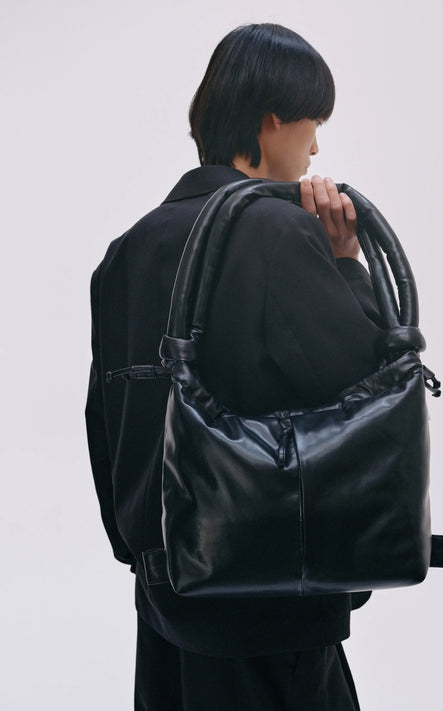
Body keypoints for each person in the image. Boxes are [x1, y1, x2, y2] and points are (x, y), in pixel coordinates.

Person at [86, 23, 384, 710]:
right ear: (272, 119)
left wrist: (145, 555)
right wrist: (345, 263)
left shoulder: (127, 250)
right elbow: (365, 389)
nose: (315, 147)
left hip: (166, 601)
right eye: (313, 123)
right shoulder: (276, 231)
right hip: (270, 607)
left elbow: (105, 419)